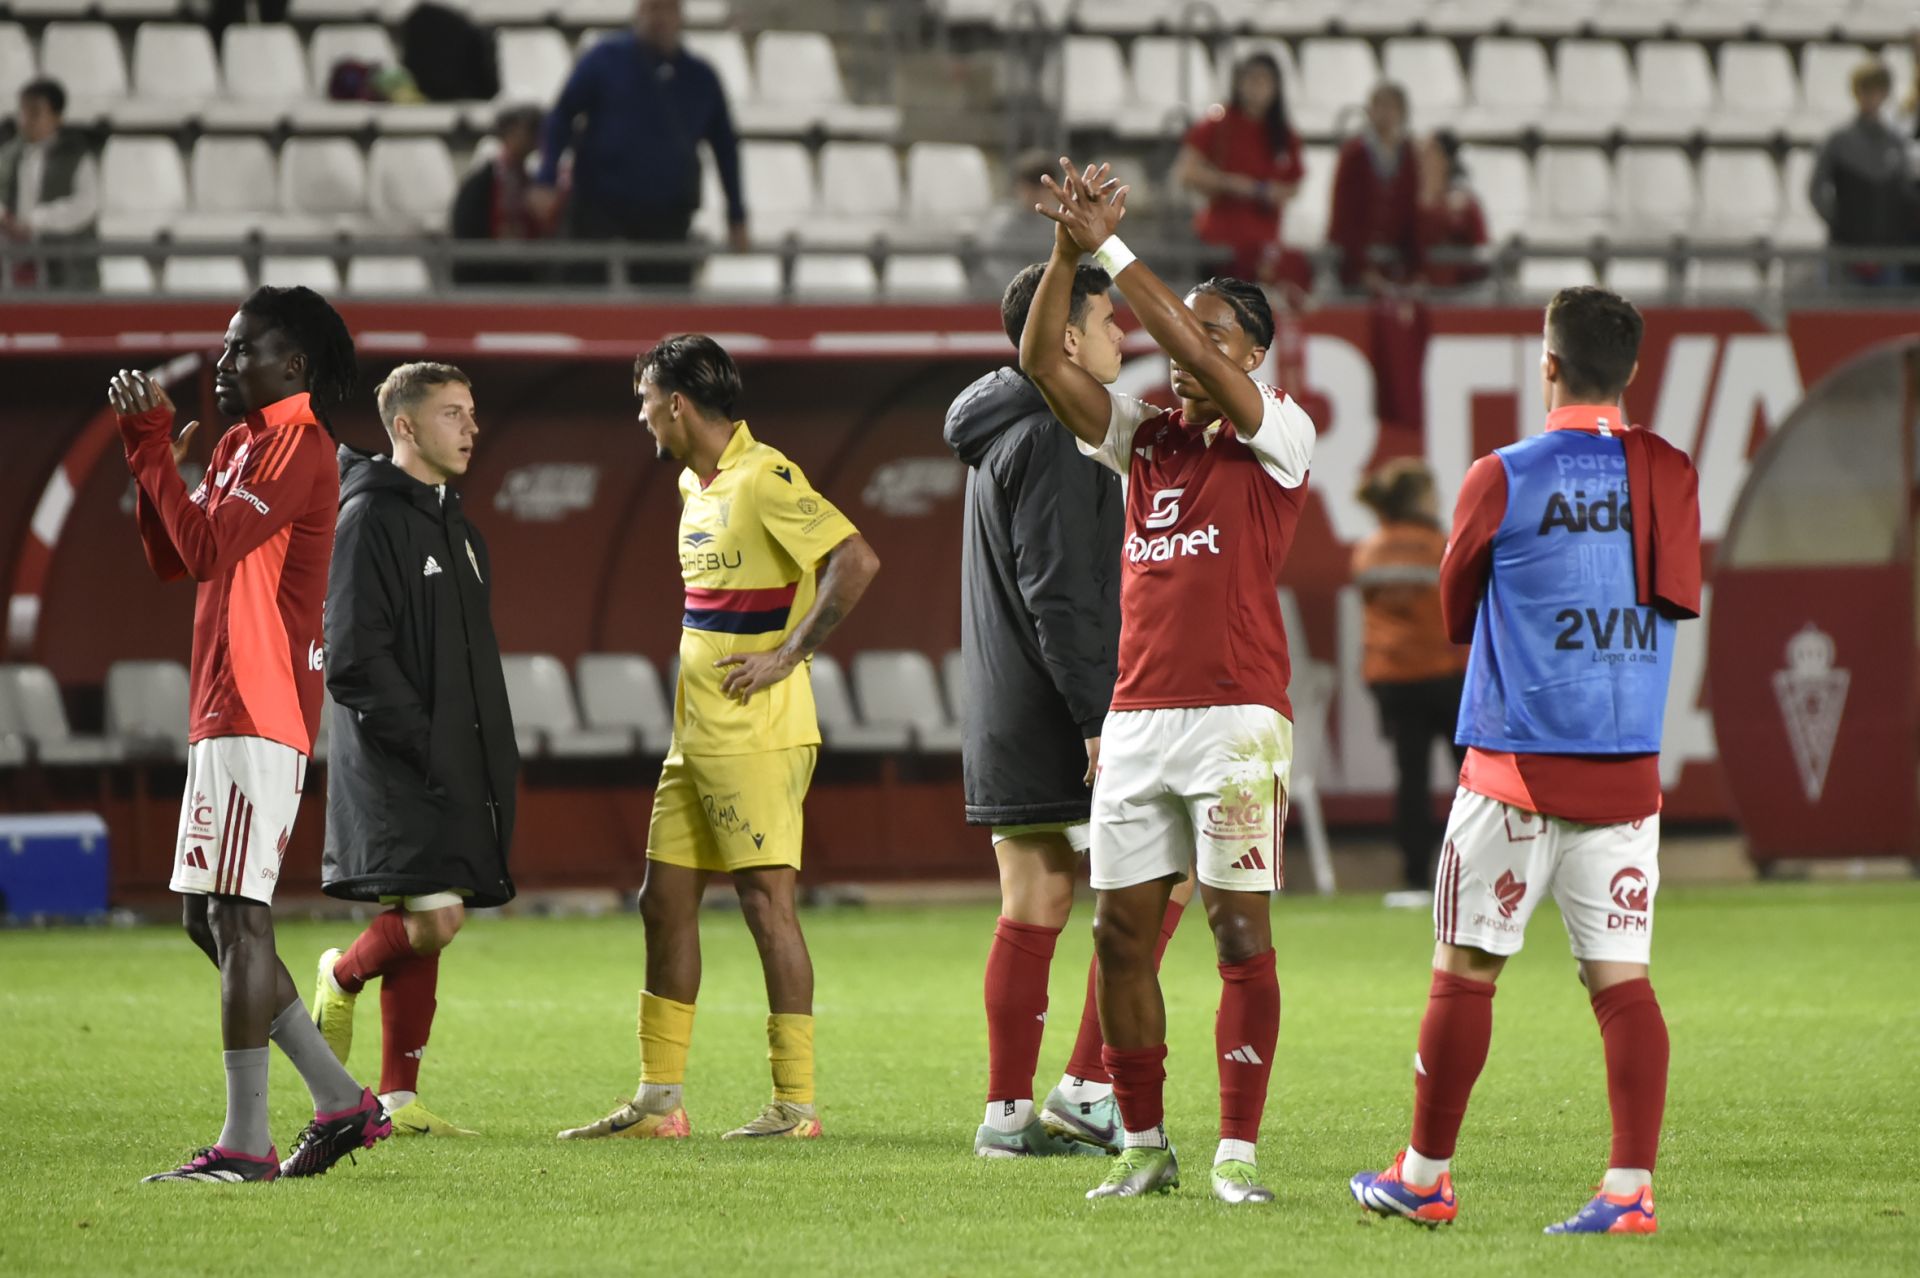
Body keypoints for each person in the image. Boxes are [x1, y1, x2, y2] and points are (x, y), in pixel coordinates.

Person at [1350, 286, 1702, 1235]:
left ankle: (1424, 1176)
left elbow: (1454, 611)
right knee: (1622, 984)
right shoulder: (1670, 472)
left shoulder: (1499, 475)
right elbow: (1672, 601)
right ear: (1630, 371)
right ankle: (1628, 1193)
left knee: (1464, 970)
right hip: (1628, 774)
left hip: (1515, 769)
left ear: (1546, 364)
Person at [1022, 160, 1317, 1205]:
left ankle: (1238, 1153)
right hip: (1139, 720)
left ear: (1255, 358)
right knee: (1117, 935)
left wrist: (1113, 248)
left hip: (1237, 722)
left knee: (1240, 934)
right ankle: (1145, 1146)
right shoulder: (1146, 439)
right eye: (1187, 341)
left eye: (1212, 340)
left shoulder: (1280, 435)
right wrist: (1067, 253)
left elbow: (1188, 344)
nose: (1186, 357)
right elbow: (1042, 366)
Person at [559, 335, 880, 1142]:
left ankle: (795, 1105)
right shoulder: (690, 485)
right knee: (661, 903)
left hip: (758, 733)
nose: (639, 416)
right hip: (694, 734)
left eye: (643, 400)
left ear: (675, 404)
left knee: (766, 905)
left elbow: (856, 559)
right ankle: (659, 1103)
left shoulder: (765, 476)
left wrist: (788, 652)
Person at [109, 286, 392, 1183]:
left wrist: (153, 448)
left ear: (293, 366)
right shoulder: (239, 444)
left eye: (243, 350)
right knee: (209, 919)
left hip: (259, 706)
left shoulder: (299, 447)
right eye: (226, 348)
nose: (225, 363)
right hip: (222, 704)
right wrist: (147, 456)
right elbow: (172, 555)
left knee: (237, 917)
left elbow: (201, 550)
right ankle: (342, 1099)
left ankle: (245, 1144)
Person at [945, 263, 1194, 1159]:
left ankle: (1007, 1116)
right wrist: (1099, 715)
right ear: (1064, 339)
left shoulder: (997, 428)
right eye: (1105, 319)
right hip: (1062, 704)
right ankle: (1088, 1089)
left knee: (1035, 897)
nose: (1121, 337)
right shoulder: (1057, 431)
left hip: (1005, 701)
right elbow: (1062, 591)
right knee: (1167, 873)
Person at [308, 362, 519, 1138]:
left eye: (471, 413)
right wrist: (425, 741)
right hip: (397, 758)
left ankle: (396, 1098)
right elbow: (355, 653)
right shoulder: (368, 517)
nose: (471, 429)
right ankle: (342, 971)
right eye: (453, 414)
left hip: (447, 756)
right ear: (404, 426)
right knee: (436, 917)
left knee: (428, 902)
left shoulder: (456, 526)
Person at [534, 0, 749, 286]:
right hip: (598, 207)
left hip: (667, 214)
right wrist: (547, 175)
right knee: (584, 298)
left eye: (666, 9)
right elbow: (562, 115)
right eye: (651, 8)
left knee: (665, 311)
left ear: (679, 16)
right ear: (638, 13)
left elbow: (725, 147)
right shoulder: (604, 59)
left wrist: (736, 213)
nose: (658, 18)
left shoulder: (700, 78)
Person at [1352, 458, 1466, 902]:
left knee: (1410, 779)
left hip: (1392, 680)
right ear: (1419, 499)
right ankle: (1480, 871)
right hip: (1442, 674)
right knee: (1474, 780)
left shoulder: (1368, 551)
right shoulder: (1441, 545)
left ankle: (1416, 876)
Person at [1175, 52, 1307, 289]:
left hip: (1264, 244)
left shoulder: (1283, 134)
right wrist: (1230, 184)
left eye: (1264, 81)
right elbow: (1186, 171)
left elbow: (1294, 185)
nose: (1257, 88)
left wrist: (1268, 192)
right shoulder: (1219, 124)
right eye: (1251, 80)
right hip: (1219, 240)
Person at [1808, 59, 1917, 286]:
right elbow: (1816, 191)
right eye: (1865, 90)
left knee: (1886, 320)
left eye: (1877, 90)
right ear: (1856, 93)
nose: (1871, 97)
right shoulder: (1838, 141)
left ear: (1885, 94)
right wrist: (1841, 224)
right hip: (1846, 254)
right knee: (1841, 319)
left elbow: (1905, 194)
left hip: (1887, 257)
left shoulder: (1895, 143)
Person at [0, 78, 98, 291]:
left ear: (57, 117)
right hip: (19, 267)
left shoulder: (76, 157)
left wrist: (35, 222)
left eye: (35, 113)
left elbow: (85, 206)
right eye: (23, 112)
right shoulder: (9, 157)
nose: (25, 120)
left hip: (67, 268)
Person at [1328, 82, 1423, 293]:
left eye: (1392, 107)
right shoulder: (1355, 153)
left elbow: (1411, 210)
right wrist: (1360, 266)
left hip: (1393, 263)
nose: (1386, 114)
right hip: (1356, 263)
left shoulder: (1407, 154)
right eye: (1380, 106)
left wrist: (1415, 266)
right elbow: (1344, 212)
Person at [451, 105, 559, 286]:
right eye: (530, 129)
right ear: (509, 130)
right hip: (486, 281)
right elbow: (467, 232)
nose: (534, 137)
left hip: (522, 281)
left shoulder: (528, 182)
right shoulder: (483, 183)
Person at [974, 149, 1059, 293]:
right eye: (1032, 187)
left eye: (1044, 188)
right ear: (1019, 187)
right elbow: (999, 272)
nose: (1038, 194)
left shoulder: (1064, 223)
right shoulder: (1002, 224)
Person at [1416, 130, 1488, 290]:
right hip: (1419, 291)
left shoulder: (1465, 204)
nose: (1421, 160)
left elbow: (1480, 247)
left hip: (1459, 295)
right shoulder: (1409, 203)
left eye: (1429, 154)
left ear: (1444, 160)